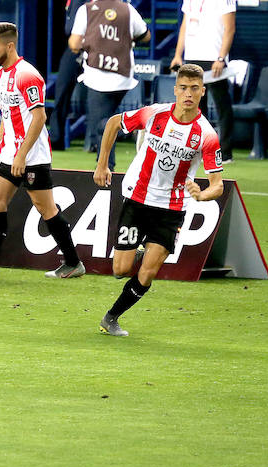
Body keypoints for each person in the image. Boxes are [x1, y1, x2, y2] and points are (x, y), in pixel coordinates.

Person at [93, 64, 225, 337]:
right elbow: (113, 123)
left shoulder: (207, 134)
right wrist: (102, 165)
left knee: (148, 273)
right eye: (184, 88)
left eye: (195, 89)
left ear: (203, 91)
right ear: (175, 89)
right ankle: (139, 251)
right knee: (121, 269)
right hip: (138, 199)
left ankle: (112, 317)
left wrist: (202, 194)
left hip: (172, 208)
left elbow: (218, 186)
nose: (188, 94)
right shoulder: (155, 113)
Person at [0, 22, 86, 281]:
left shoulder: (27, 75)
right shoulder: (0, 73)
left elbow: (39, 117)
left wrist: (21, 155)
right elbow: (7, 114)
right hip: (9, 150)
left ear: (10, 46)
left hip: (33, 155)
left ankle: (74, 262)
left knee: (45, 208)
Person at [68, 0, 151, 164]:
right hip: (123, 76)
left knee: (101, 124)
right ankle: (110, 157)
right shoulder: (128, 9)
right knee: (107, 118)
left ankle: (106, 168)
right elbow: (146, 35)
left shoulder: (86, 10)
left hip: (98, 76)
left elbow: (73, 43)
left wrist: (88, 42)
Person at [170, 0, 236, 161]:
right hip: (193, 54)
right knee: (195, 104)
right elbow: (185, 24)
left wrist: (221, 57)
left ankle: (224, 151)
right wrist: (178, 54)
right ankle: (199, 147)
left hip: (213, 55)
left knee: (221, 103)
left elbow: (230, 27)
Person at [49, 0, 94, 148]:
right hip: (73, 44)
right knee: (62, 87)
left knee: (94, 92)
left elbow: (92, 11)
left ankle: (94, 140)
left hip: (86, 44)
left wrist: (84, 40)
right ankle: (56, 139)